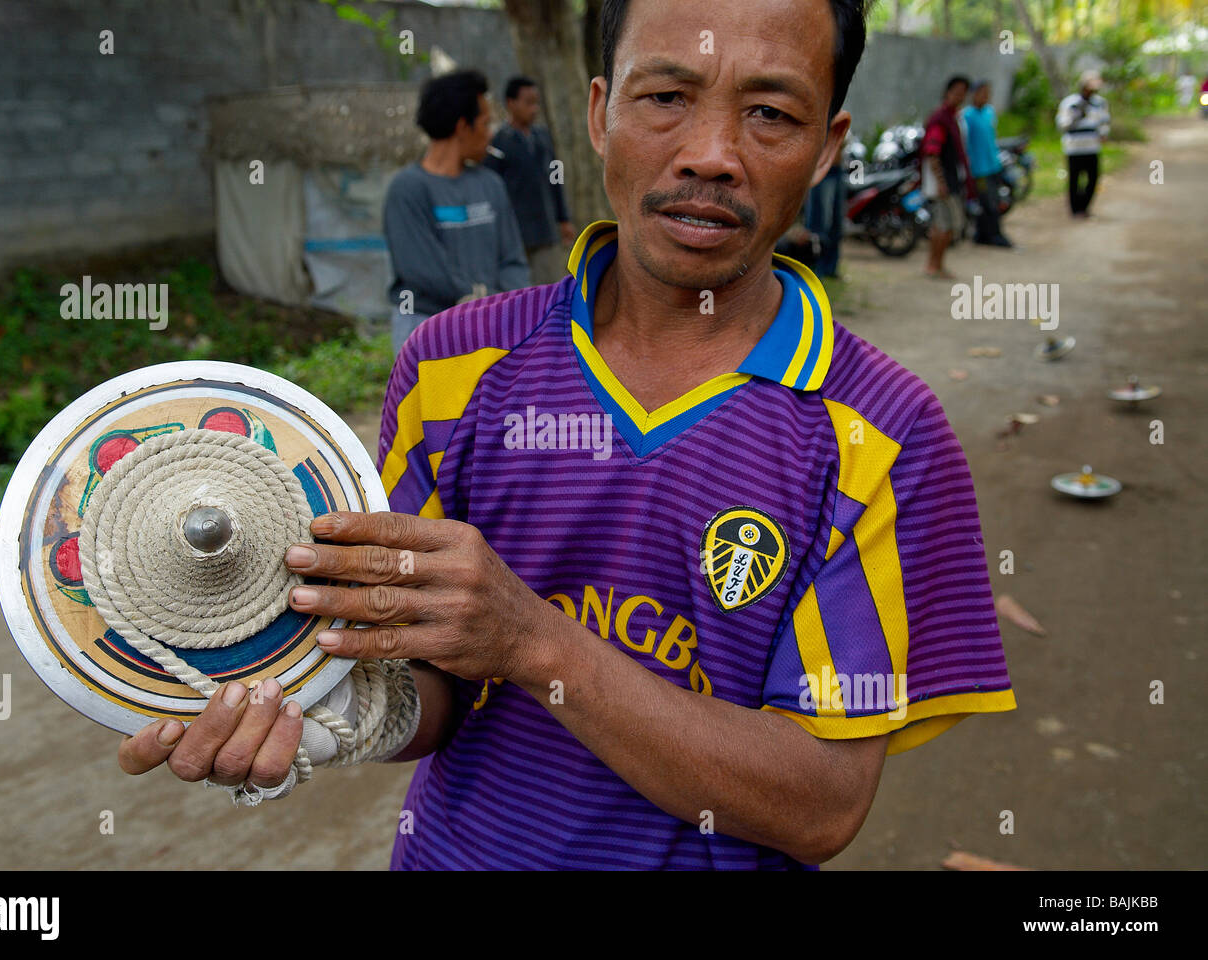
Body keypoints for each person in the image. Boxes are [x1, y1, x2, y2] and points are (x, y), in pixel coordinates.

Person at [117, 0, 1016, 871]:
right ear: (598, 112)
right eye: (665, 97)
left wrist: (534, 642)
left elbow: (820, 806)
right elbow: (433, 695)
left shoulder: (885, 434)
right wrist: (315, 718)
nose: (711, 156)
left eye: (771, 114)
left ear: (827, 149)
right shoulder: (450, 365)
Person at [380, 69, 530, 353]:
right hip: (426, 327)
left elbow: (512, 260)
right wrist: (480, 301)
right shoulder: (407, 188)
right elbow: (421, 270)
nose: (490, 134)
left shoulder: (491, 185)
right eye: (485, 124)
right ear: (463, 126)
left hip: (490, 325)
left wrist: (512, 308)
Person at [483, 76, 577, 285]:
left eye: (536, 103)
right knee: (521, 291)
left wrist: (563, 218)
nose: (534, 109)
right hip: (516, 233)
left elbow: (556, 179)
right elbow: (492, 191)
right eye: (528, 103)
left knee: (549, 287)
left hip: (545, 228)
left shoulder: (542, 137)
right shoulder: (499, 143)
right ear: (511, 103)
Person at [921, 75, 975, 277]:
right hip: (944, 182)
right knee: (944, 226)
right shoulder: (941, 120)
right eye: (957, 92)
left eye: (963, 93)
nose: (960, 96)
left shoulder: (954, 117)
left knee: (942, 225)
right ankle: (934, 265)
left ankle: (936, 264)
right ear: (947, 92)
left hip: (951, 179)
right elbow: (932, 152)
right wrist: (941, 182)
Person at [961, 80, 1012, 247]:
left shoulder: (990, 112)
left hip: (993, 164)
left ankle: (984, 234)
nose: (985, 97)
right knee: (986, 202)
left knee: (994, 200)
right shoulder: (966, 116)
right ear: (973, 95)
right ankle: (992, 235)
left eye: (987, 93)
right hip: (978, 168)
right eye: (982, 93)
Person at [1055, 71, 1110, 218]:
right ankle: (1075, 210)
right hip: (1074, 148)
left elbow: (1104, 122)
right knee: (1074, 179)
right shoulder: (1070, 103)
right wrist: (1077, 115)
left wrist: (1104, 133)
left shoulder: (1100, 103)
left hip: (1092, 147)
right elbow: (1062, 124)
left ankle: (1084, 208)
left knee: (1093, 179)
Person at [801, 140, 845, 277]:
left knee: (836, 222)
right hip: (823, 169)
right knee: (819, 221)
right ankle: (816, 267)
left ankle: (831, 268)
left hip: (838, 169)